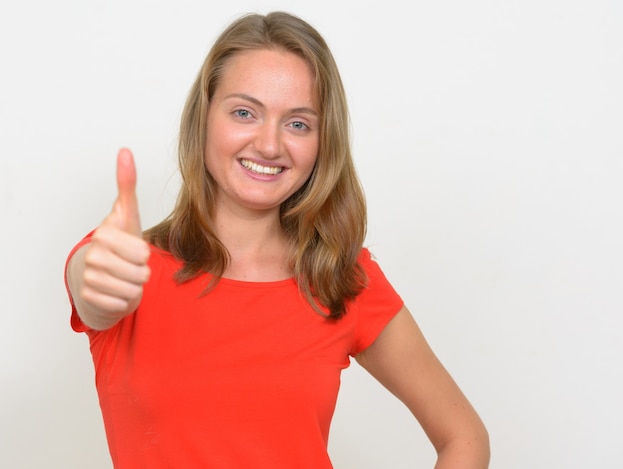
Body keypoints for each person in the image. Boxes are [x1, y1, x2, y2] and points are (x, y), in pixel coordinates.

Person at [65, 11, 490, 469]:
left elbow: (463, 435)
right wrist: (102, 275)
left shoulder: (341, 278)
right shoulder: (126, 264)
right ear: (204, 117)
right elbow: (94, 289)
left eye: (298, 124)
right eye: (244, 112)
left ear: (322, 142)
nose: (269, 145)